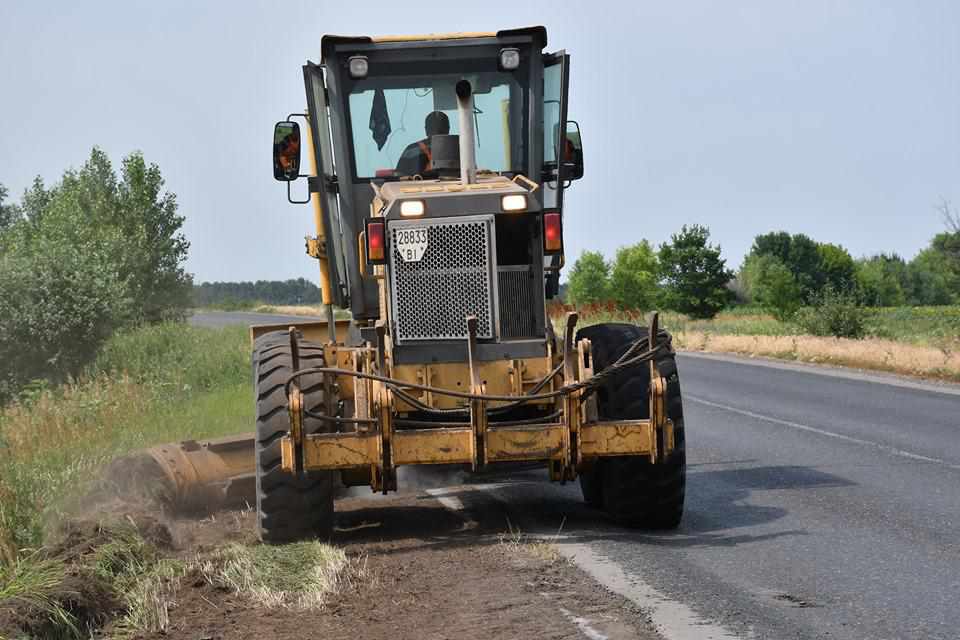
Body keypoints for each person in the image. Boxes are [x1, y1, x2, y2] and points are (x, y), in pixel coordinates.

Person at [395, 111, 450, 176]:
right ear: (448, 129)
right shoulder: (459, 148)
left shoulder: (410, 150)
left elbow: (398, 177)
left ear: (426, 130)